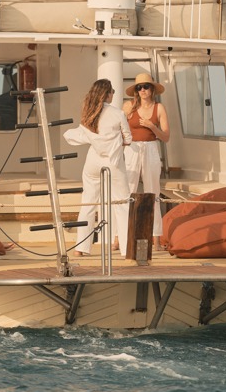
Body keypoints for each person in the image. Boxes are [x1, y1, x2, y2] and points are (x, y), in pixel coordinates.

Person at [64, 78, 132, 256]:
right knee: (122, 203)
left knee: (88, 202)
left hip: (93, 161)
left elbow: (83, 134)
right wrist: (114, 142)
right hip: (114, 162)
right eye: (113, 92)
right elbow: (128, 139)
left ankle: (81, 248)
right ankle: (126, 249)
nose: (113, 95)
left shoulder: (88, 112)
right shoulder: (118, 114)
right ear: (107, 93)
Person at [122, 72, 170, 248]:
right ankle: (121, 237)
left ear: (152, 89)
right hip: (132, 148)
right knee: (128, 191)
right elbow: (118, 129)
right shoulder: (129, 107)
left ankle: (156, 238)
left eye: (146, 86)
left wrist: (152, 127)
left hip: (151, 148)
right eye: (139, 87)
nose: (142, 90)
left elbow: (166, 137)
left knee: (153, 193)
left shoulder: (159, 108)